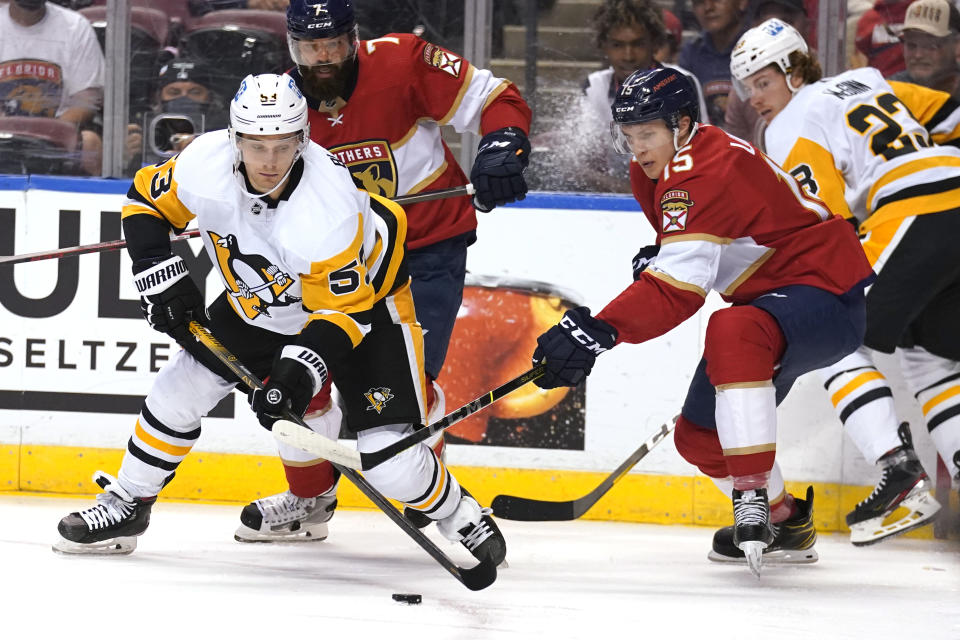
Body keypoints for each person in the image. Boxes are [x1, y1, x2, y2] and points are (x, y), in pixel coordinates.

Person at [53, 72, 506, 569]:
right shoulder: (205, 162)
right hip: (262, 302)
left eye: (284, 145)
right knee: (178, 389)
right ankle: (127, 505)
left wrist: (290, 379)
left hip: (368, 308)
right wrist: (160, 275)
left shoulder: (324, 209)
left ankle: (456, 511)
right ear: (235, 137)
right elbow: (145, 202)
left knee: (392, 462)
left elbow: (340, 316)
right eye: (256, 145)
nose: (269, 161)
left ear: (303, 140)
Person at [530, 67, 874, 574]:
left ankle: (751, 498)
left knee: (731, 328)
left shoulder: (702, 167)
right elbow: (700, 247)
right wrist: (661, 256)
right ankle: (787, 522)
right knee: (699, 438)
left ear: (684, 124)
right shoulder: (656, 169)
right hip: (772, 306)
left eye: (647, 134)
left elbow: (680, 289)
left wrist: (597, 330)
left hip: (825, 293)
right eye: (628, 137)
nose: (637, 148)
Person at [230, 0, 532, 541]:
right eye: (308, 49)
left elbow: (494, 97)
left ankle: (438, 502)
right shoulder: (281, 104)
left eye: (333, 46)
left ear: (354, 39)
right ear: (291, 48)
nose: (322, 60)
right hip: (332, 264)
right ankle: (310, 499)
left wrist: (502, 146)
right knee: (298, 379)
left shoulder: (404, 61)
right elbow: (253, 178)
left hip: (425, 250)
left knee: (413, 385)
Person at [731, 18, 960, 544]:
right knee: (929, 354)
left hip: (910, 209)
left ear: (793, 71)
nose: (756, 98)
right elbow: (951, 114)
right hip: (952, 192)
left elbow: (826, 223)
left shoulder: (790, 123)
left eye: (763, 82)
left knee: (837, 340)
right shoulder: (869, 81)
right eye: (748, 88)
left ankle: (901, 476)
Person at [569, 0, 708, 193]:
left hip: (677, 196)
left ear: (655, 44)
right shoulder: (594, 87)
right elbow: (580, 166)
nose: (628, 55)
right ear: (604, 46)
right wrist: (630, 192)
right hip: (616, 195)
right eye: (617, 45)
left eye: (638, 44)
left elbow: (699, 158)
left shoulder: (681, 82)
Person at [0, 0, 104, 175]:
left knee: (90, 142)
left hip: (55, 141)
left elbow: (86, 101)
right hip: (2, 135)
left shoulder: (75, 27)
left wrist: (51, 134)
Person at [723, 0, 809, 147]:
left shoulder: (826, 83)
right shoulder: (741, 91)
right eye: (765, 24)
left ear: (797, 75)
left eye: (786, 22)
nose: (754, 101)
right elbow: (735, 157)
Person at [677, 0, 748, 126]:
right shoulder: (691, 51)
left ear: (742, 2)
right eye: (699, 2)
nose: (708, 7)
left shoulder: (757, 45)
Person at [889, 0, 960, 98]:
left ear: (957, 45)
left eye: (932, 46)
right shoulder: (890, 90)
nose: (918, 55)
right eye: (911, 45)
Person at [856, 0, 912, 77]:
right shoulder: (869, 19)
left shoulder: (921, 12)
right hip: (882, 84)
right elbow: (860, 56)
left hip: (919, 84)